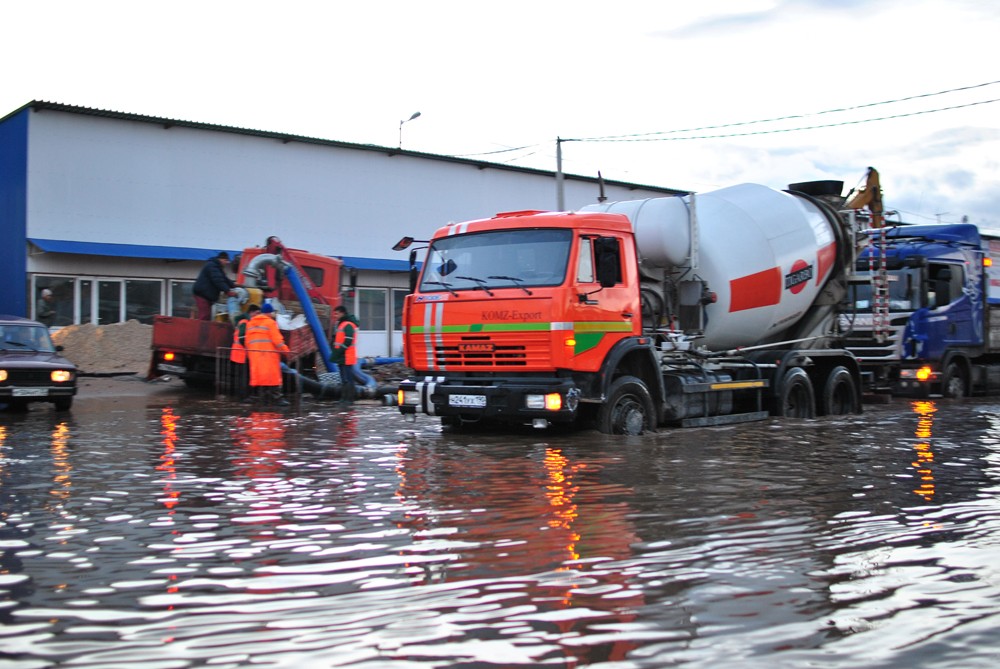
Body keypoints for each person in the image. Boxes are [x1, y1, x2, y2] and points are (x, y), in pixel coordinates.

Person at [245, 302, 290, 406]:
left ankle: (255, 397)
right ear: (270, 313)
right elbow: (278, 341)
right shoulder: (270, 323)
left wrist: (250, 355)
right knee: (272, 377)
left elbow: (247, 342)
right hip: (268, 356)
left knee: (258, 377)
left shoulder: (250, 323)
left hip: (255, 356)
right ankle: (276, 398)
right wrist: (286, 351)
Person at [330, 305, 373, 405]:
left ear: (342, 313)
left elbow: (348, 341)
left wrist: (338, 352)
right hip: (343, 357)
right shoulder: (342, 324)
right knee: (345, 379)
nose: (335, 316)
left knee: (347, 379)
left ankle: (348, 399)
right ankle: (345, 398)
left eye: (336, 314)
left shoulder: (347, 325)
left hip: (346, 357)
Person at [193, 251, 237, 321]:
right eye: (226, 260)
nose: (226, 263)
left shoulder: (216, 267)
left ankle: (203, 330)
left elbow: (224, 279)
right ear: (221, 259)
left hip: (205, 296)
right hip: (203, 295)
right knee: (205, 316)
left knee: (206, 316)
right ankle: (201, 331)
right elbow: (218, 280)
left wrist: (234, 286)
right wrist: (227, 291)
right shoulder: (213, 266)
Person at [229, 308, 250, 400]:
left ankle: (238, 395)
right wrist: (247, 347)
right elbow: (242, 337)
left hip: (237, 353)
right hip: (242, 354)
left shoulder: (240, 322)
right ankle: (243, 396)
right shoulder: (245, 322)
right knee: (243, 377)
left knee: (240, 376)